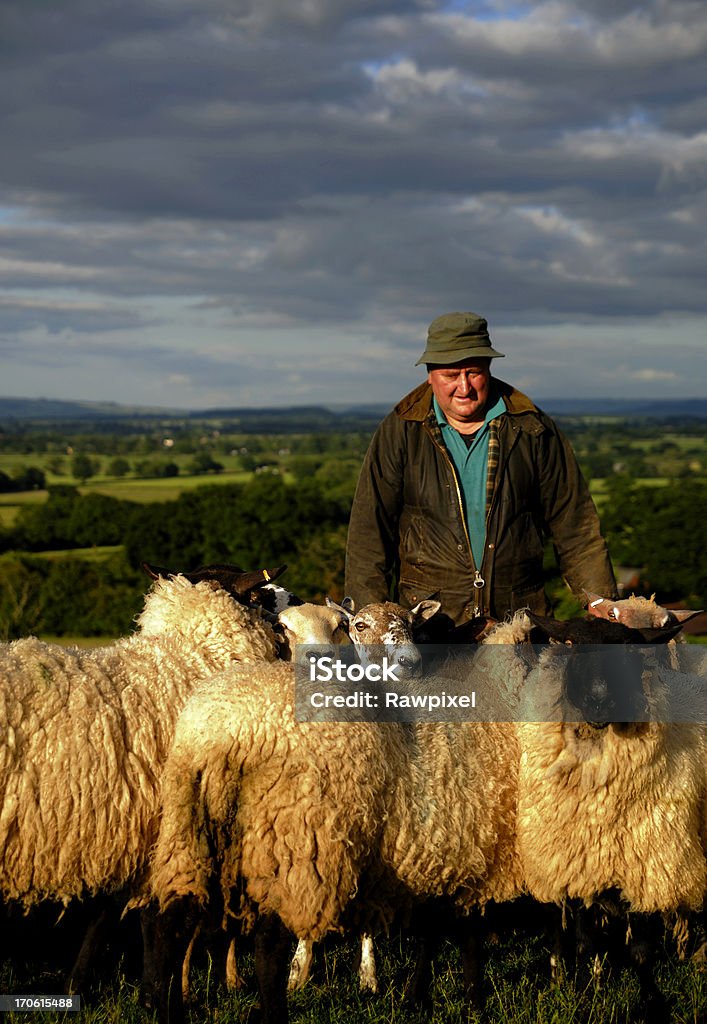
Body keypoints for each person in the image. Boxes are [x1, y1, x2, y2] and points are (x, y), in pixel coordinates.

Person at [345, 311, 616, 623]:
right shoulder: (400, 431)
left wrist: (602, 602)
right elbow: (369, 532)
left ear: (489, 368)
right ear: (430, 374)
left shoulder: (532, 429)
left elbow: (575, 524)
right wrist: (367, 618)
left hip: (521, 619)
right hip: (431, 622)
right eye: (450, 376)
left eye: (473, 372)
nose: (464, 387)